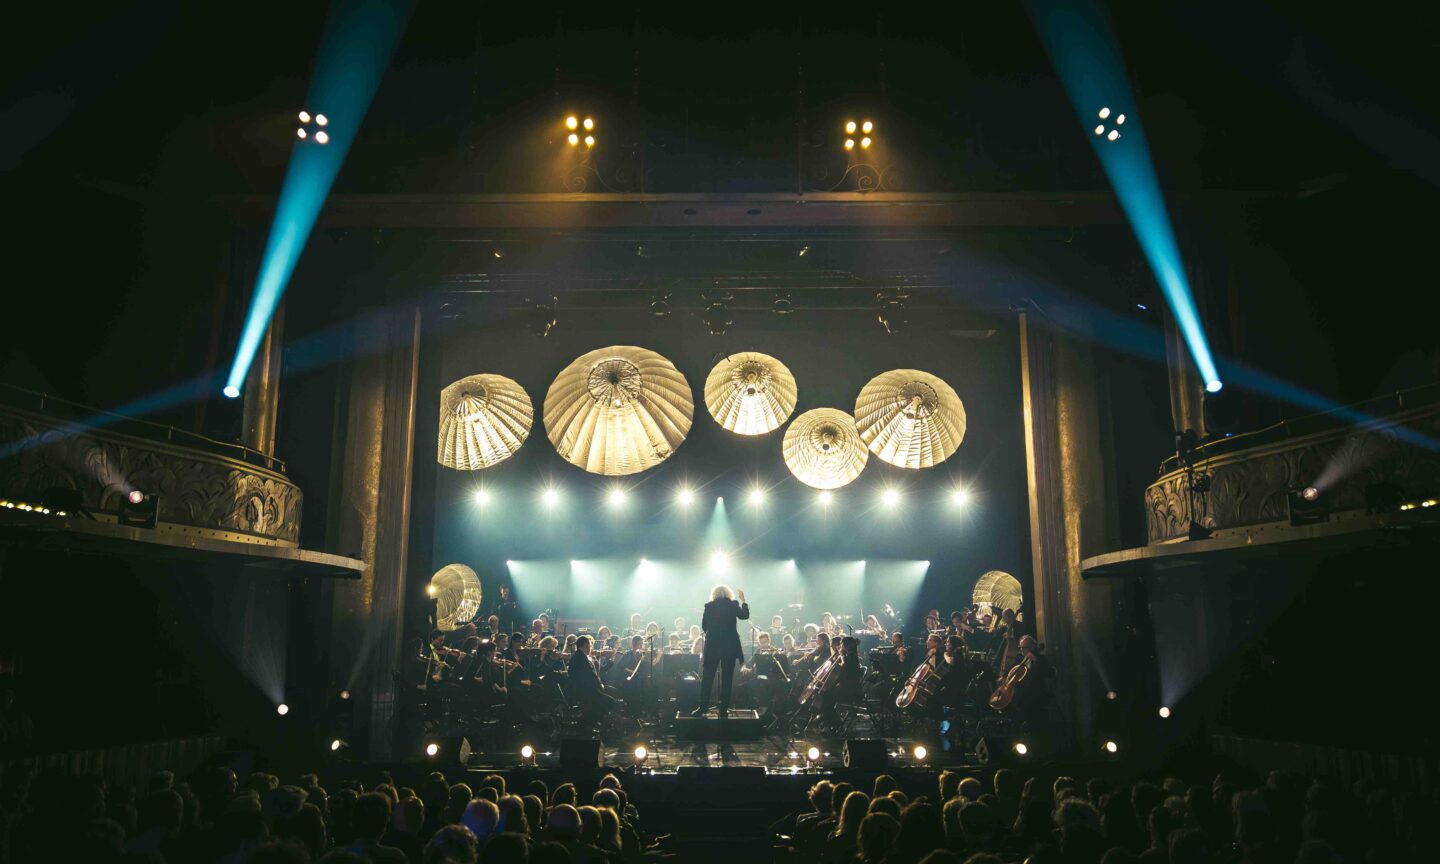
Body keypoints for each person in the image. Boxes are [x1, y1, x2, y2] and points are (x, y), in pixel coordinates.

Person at [692, 583, 749, 717]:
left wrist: (713, 636)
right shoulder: (733, 604)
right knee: (727, 679)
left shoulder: (709, 606)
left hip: (712, 646)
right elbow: (744, 616)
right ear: (728, 594)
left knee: (707, 678)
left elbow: (704, 626)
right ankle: (723, 710)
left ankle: (703, 708)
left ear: (714, 594)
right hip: (729, 646)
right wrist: (744, 601)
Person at [567, 635, 619, 723]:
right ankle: (598, 721)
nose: (590, 648)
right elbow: (590, 676)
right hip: (585, 692)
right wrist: (599, 686)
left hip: (588, 689)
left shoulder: (580, 656)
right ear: (585, 645)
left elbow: (593, 674)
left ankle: (600, 720)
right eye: (589, 646)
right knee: (611, 702)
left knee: (614, 693)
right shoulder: (580, 658)